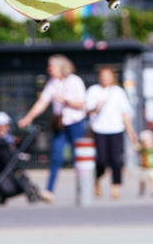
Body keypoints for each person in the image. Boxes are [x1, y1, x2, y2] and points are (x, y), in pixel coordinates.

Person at [17, 55, 86, 202]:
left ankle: (83, 189)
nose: (49, 69)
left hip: (75, 123)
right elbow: (42, 102)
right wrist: (28, 118)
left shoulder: (75, 81)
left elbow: (82, 104)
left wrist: (66, 101)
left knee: (78, 157)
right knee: (56, 157)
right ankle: (49, 190)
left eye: (51, 67)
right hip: (60, 124)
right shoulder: (52, 84)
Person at [85, 66, 139, 199]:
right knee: (101, 160)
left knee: (116, 160)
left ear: (113, 77)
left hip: (116, 129)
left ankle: (116, 186)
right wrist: (95, 107)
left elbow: (125, 114)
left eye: (108, 76)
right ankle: (97, 179)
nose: (105, 78)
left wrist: (131, 132)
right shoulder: (93, 91)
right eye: (103, 76)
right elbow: (86, 111)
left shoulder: (118, 92)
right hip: (99, 129)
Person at [137, 129, 153, 198]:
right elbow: (137, 148)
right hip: (144, 168)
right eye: (145, 141)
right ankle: (142, 189)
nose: (147, 143)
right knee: (142, 180)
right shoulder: (142, 149)